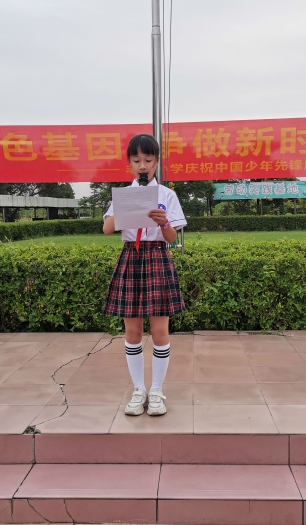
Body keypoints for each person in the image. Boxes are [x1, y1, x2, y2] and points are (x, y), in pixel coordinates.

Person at [102, 133, 187, 416]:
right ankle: (139, 389)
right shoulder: (123, 194)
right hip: (131, 258)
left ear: (157, 162)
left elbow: (172, 237)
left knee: (160, 331)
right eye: (137, 160)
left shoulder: (167, 195)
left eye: (148, 160)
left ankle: (157, 391)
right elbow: (106, 229)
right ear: (129, 163)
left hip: (157, 258)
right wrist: (125, 209)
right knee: (133, 331)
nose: (142, 166)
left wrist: (164, 223)